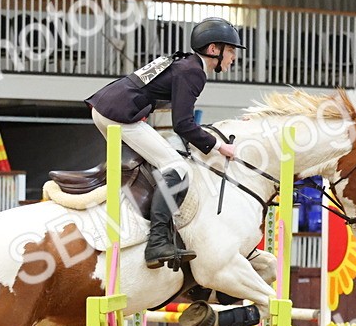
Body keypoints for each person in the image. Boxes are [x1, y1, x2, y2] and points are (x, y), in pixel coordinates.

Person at [86, 16, 243, 269]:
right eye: (232, 50)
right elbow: (183, 123)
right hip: (119, 114)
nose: (233, 57)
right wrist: (219, 145)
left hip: (107, 108)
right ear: (214, 49)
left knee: (157, 165)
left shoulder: (186, 64)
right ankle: (157, 241)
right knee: (177, 168)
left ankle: (140, 225)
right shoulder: (194, 72)